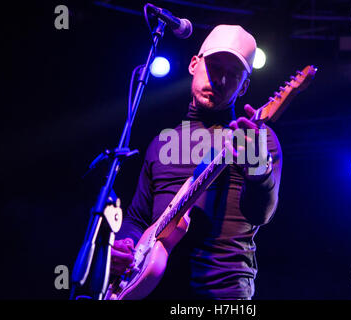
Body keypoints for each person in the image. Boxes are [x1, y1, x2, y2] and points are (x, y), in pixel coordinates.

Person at [111, 25, 282, 300]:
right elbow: (137, 217)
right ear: (194, 64)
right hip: (150, 291)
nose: (221, 79)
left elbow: (261, 215)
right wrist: (126, 243)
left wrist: (258, 169)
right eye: (214, 66)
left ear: (244, 86)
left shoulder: (255, 138)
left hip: (221, 294)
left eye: (233, 74)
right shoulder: (162, 142)